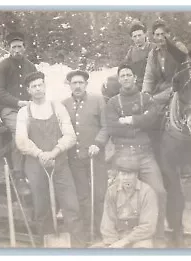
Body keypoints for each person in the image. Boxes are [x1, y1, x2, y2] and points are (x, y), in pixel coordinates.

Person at [15, 71, 85, 247]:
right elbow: (21, 140)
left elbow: (70, 135)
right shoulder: (24, 112)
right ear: (28, 90)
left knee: (71, 206)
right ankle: (45, 248)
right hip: (36, 166)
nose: (38, 89)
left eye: (40, 85)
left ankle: (78, 247)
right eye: (33, 86)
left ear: (45, 86)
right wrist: (40, 154)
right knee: (42, 209)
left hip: (60, 163)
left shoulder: (57, 108)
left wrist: (53, 152)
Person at [105, 64, 167, 247]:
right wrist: (138, 127)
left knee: (159, 192)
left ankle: (159, 237)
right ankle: (120, 237)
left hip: (145, 154)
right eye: (122, 75)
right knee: (120, 194)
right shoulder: (113, 102)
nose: (125, 78)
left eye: (129, 74)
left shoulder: (146, 98)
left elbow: (153, 119)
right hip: (123, 154)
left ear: (135, 78)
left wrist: (130, 120)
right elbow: (112, 127)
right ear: (119, 80)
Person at [62, 70, 109, 241]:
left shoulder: (98, 100)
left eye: (81, 83)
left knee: (99, 194)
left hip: (95, 157)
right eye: (74, 83)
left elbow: (106, 126)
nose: (77, 86)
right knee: (82, 196)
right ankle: (86, 232)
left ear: (86, 85)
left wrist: (97, 143)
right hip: (75, 158)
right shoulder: (64, 104)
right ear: (70, 85)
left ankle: (101, 231)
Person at [0, 31, 37, 195]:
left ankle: (35, 171)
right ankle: (19, 176)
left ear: (24, 48)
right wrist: (17, 102)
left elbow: (36, 86)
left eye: (20, 47)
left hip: (28, 107)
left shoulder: (30, 66)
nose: (17, 50)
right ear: (9, 49)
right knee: (20, 132)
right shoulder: (3, 66)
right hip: (9, 109)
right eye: (14, 47)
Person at [142, 19, 187, 167]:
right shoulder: (153, 53)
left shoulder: (178, 48)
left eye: (163, 34)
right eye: (156, 34)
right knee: (147, 115)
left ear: (168, 34)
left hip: (179, 88)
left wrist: (156, 98)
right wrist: (146, 94)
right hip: (160, 90)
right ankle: (154, 152)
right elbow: (149, 76)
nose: (160, 37)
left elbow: (184, 73)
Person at [96, 155, 158, 248]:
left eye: (129, 174)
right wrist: (113, 243)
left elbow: (148, 226)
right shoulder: (112, 191)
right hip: (117, 237)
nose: (126, 178)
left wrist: (125, 241)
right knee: (94, 251)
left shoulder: (147, 192)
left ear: (136, 174)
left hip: (139, 239)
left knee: (141, 252)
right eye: (122, 174)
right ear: (118, 175)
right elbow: (108, 222)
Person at [123, 19, 156, 91]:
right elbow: (124, 67)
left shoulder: (154, 48)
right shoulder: (131, 51)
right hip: (137, 84)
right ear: (132, 38)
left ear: (145, 34)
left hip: (153, 84)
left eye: (139, 35)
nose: (137, 38)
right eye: (135, 36)